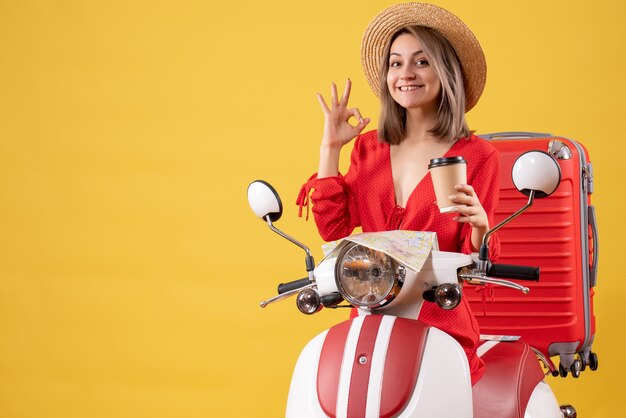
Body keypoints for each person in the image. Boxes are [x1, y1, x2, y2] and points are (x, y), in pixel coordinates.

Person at [296, 3, 500, 385]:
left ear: (446, 72)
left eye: (421, 62)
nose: (405, 74)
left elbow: (475, 263)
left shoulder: (477, 156)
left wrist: (479, 226)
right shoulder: (368, 148)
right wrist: (330, 148)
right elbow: (332, 229)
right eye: (395, 63)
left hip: (439, 321)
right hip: (371, 317)